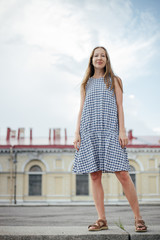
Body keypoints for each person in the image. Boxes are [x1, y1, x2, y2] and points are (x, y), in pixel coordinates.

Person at [72, 46, 147, 232]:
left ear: (107, 59)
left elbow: (120, 107)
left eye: (103, 55)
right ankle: (102, 220)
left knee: (122, 173)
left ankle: (138, 218)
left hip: (111, 131)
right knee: (95, 175)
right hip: (89, 131)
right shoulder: (85, 84)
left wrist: (122, 131)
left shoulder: (115, 80)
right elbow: (81, 109)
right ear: (91, 59)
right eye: (96, 55)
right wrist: (77, 133)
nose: (99, 58)